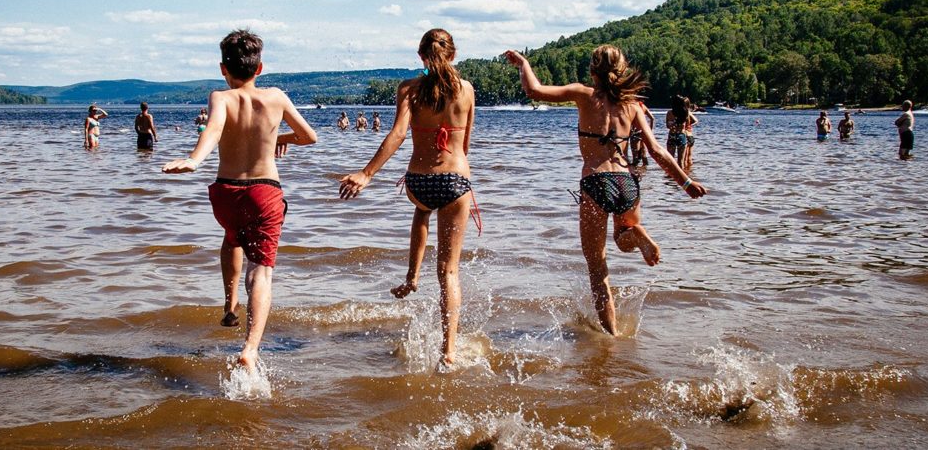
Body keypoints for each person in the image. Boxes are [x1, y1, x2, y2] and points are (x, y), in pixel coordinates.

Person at [503, 45, 706, 336]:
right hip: (626, 182)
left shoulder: (583, 94)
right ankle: (635, 234)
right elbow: (657, 150)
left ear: (592, 71)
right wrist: (685, 182)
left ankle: (610, 337)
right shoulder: (632, 105)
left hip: (596, 182)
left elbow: (533, 91)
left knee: (598, 269)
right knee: (623, 241)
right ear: (621, 71)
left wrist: (523, 64)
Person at [162, 29, 317, 371]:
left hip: (226, 193)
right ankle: (250, 348)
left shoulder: (220, 97)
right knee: (260, 271)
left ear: (223, 69)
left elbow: (214, 129)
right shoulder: (276, 96)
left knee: (233, 236)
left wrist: (195, 159)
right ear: (259, 68)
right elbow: (310, 136)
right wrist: (280, 136)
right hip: (264, 192)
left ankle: (230, 305)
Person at [339, 28, 477, 368]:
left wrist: (367, 173)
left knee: (421, 212)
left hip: (420, 180)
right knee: (449, 272)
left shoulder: (409, 89)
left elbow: (398, 133)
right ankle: (448, 352)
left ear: (420, 57)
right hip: (456, 180)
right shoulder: (467, 90)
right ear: (454, 55)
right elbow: (466, 144)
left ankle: (412, 277)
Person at [665, 95, 691, 168]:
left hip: (672, 135)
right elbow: (688, 125)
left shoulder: (669, 113)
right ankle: (682, 178)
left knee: (671, 160)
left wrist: (673, 124)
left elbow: (667, 126)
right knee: (681, 162)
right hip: (681, 135)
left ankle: (670, 178)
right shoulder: (686, 113)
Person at [628, 100, 653, 166]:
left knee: (635, 156)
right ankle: (646, 172)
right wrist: (649, 130)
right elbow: (652, 118)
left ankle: (635, 173)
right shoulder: (643, 106)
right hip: (643, 132)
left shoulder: (633, 107)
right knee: (643, 154)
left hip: (635, 133)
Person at [683, 99, 699, 168]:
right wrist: (690, 125)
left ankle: (685, 172)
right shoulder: (689, 112)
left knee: (684, 157)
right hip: (690, 135)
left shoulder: (684, 112)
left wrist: (686, 126)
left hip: (685, 135)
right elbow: (696, 121)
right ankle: (690, 170)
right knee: (689, 156)